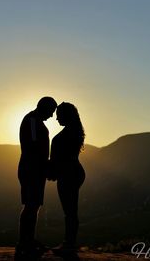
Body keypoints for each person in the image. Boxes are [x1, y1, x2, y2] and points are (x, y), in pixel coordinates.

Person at [15, 96, 57, 260]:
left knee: (33, 205)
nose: (52, 116)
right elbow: (33, 148)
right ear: (44, 107)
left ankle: (28, 240)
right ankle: (25, 242)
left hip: (35, 170)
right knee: (31, 205)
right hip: (31, 170)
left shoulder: (35, 121)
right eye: (51, 111)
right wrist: (46, 167)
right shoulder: (32, 121)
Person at [48, 102, 86, 259]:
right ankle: (69, 243)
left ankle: (69, 244)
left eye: (59, 115)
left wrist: (50, 171)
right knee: (71, 211)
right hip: (75, 172)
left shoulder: (66, 134)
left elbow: (59, 160)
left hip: (68, 175)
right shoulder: (75, 131)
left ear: (65, 115)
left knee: (69, 211)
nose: (56, 118)